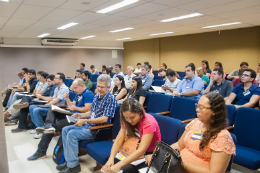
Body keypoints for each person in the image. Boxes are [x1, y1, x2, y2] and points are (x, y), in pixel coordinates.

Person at [146, 92, 236, 173]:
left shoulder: (222, 137)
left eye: (201, 107)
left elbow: (214, 171)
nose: (197, 109)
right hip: (177, 167)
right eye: (197, 106)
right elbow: (179, 145)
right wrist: (158, 155)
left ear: (214, 111)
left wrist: (182, 164)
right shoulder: (195, 123)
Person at [57, 74, 118, 173]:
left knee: (72, 134)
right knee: (65, 129)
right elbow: (91, 112)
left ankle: (73, 166)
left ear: (109, 87)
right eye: (98, 86)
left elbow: (104, 119)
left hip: (97, 130)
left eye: (102, 87)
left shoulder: (110, 99)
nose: (99, 89)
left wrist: (85, 121)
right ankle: (69, 161)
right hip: (89, 125)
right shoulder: (97, 96)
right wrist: (80, 116)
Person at [27, 78, 94, 161]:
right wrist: (67, 99)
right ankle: (48, 126)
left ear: (81, 85)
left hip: (78, 118)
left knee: (56, 125)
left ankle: (41, 151)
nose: (74, 90)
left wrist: (75, 108)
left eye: (75, 88)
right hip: (71, 114)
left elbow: (88, 110)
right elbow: (71, 106)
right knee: (52, 109)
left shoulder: (88, 94)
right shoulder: (78, 93)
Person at [102, 98, 161, 173]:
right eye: (126, 117)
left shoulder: (149, 123)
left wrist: (119, 165)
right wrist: (111, 158)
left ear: (140, 112)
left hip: (148, 153)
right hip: (133, 147)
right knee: (107, 169)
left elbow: (142, 150)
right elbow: (118, 140)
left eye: (132, 117)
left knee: (122, 170)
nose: (129, 121)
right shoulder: (127, 119)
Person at [26, 73, 69, 138]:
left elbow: (56, 101)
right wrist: (46, 104)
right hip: (51, 106)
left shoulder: (64, 88)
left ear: (61, 80)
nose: (54, 79)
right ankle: (38, 127)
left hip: (57, 108)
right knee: (31, 107)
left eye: (56, 78)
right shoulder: (57, 88)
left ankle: (42, 129)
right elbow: (53, 99)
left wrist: (46, 105)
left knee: (36, 110)